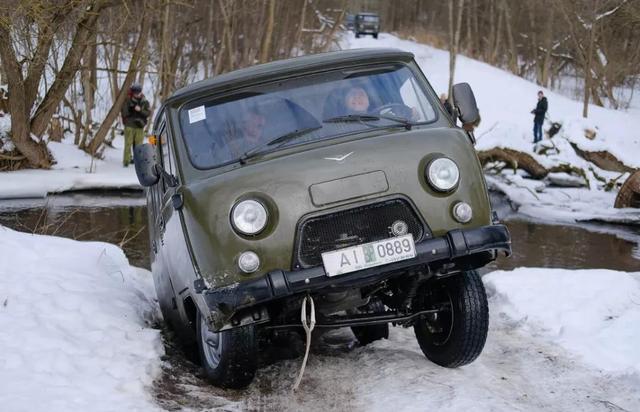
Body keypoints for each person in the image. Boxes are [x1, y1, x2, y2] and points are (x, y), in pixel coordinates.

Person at [121, 84, 150, 167]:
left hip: (140, 126)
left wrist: (140, 110)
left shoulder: (144, 102)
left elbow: (147, 113)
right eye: (136, 93)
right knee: (128, 144)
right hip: (129, 125)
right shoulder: (128, 101)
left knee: (139, 145)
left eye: (139, 92)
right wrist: (132, 109)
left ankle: (138, 162)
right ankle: (126, 161)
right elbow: (124, 113)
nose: (137, 94)